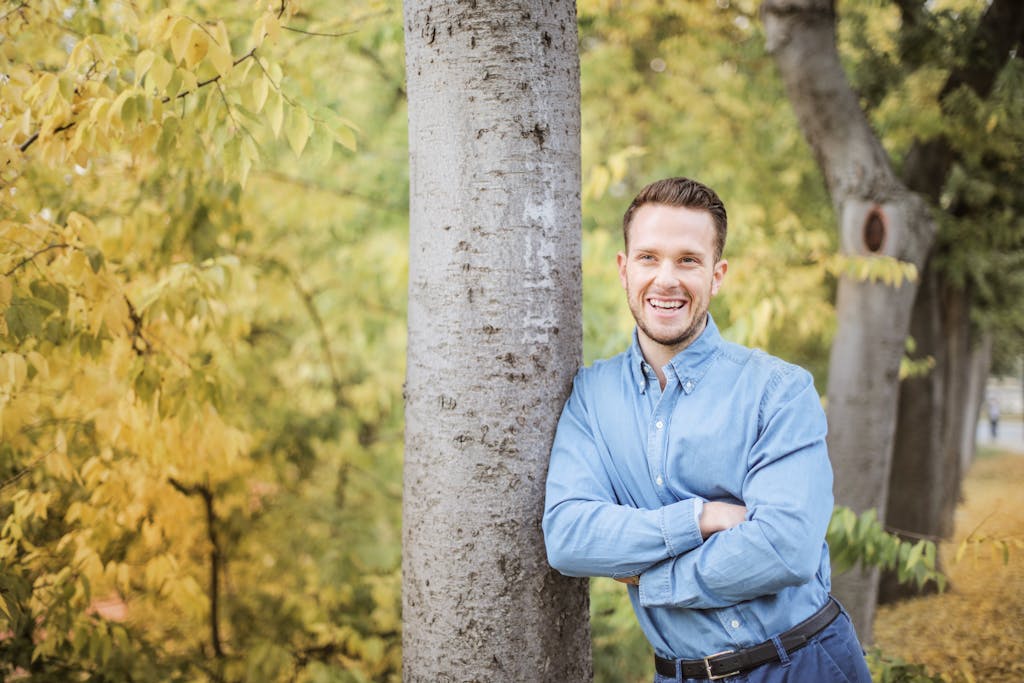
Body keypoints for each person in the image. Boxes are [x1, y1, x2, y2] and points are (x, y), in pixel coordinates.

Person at [542, 177, 872, 682]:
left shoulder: (778, 391)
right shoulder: (591, 396)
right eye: (649, 257)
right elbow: (568, 537)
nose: (666, 279)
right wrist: (699, 518)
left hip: (803, 662)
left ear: (716, 276)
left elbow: (786, 548)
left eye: (688, 260)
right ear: (624, 269)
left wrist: (648, 578)